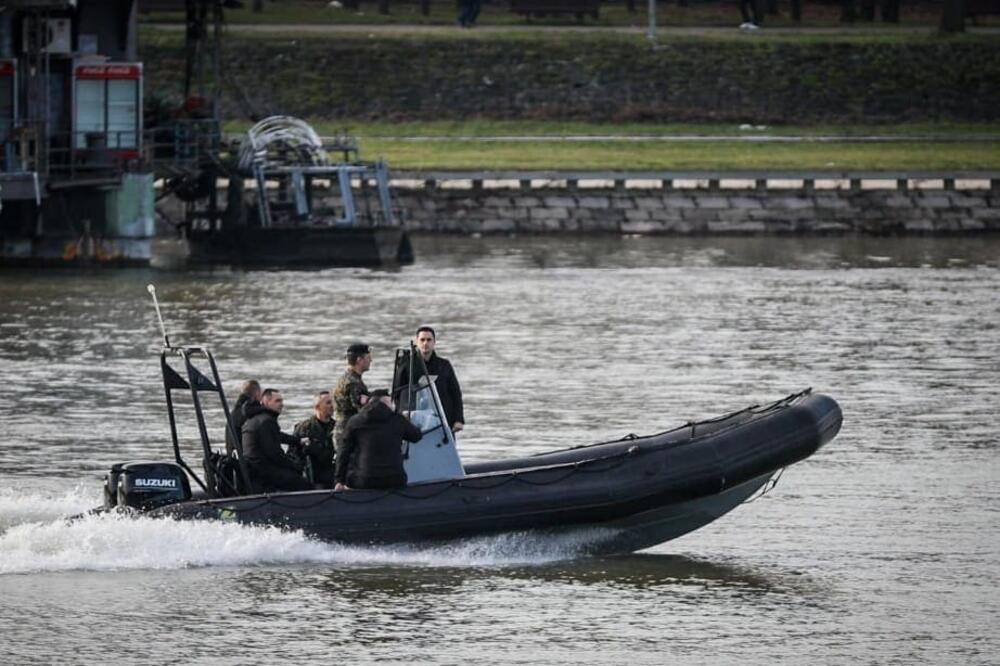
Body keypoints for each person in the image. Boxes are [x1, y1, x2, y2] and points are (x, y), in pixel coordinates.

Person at [335, 389, 422, 491]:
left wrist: (339, 480)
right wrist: (406, 421)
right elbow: (416, 437)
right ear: (387, 401)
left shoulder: (355, 421)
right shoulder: (398, 420)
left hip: (363, 481)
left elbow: (343, 452)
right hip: (394, 479)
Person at [241, 388, 312, 492]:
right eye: (277, 401)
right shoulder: (267, 421)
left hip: (253, 468)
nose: (281, 404)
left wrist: (297, 441)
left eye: (282, 401)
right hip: (262, 470)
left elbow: (277, 435)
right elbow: (274, 454)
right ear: (266, 402)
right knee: (303, 483)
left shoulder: (255, 418)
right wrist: (296, 466)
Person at [398, 326, 465, 433]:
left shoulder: (444, 365)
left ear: (434, 342)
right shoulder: (407, 365)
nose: (425, 343)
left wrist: (459, 419)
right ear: (417, 342)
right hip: (415, 424)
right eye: (422, 340)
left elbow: (455, 394)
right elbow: (398, 393)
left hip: (443, 422)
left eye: (429, 340)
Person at [333, 343, 372, 454]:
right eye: (368, 358)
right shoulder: (353, 383)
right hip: (349, 434)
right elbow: (363, 410)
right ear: (359, 360)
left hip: (345, 431)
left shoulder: (348, 378)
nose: (371, 361)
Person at [291, 391, 336, 488]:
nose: (332, 406)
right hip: (312, 475)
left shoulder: (337, 427)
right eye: (328, 403)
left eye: (332, 402)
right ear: (317, 407)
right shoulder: (304, 428)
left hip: (332, 473)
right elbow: (293, 454)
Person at [226, 379, 261, 454]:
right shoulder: (251, 409)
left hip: (233, 456)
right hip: (245, 460)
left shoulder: (235, 412)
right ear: (256, 393)